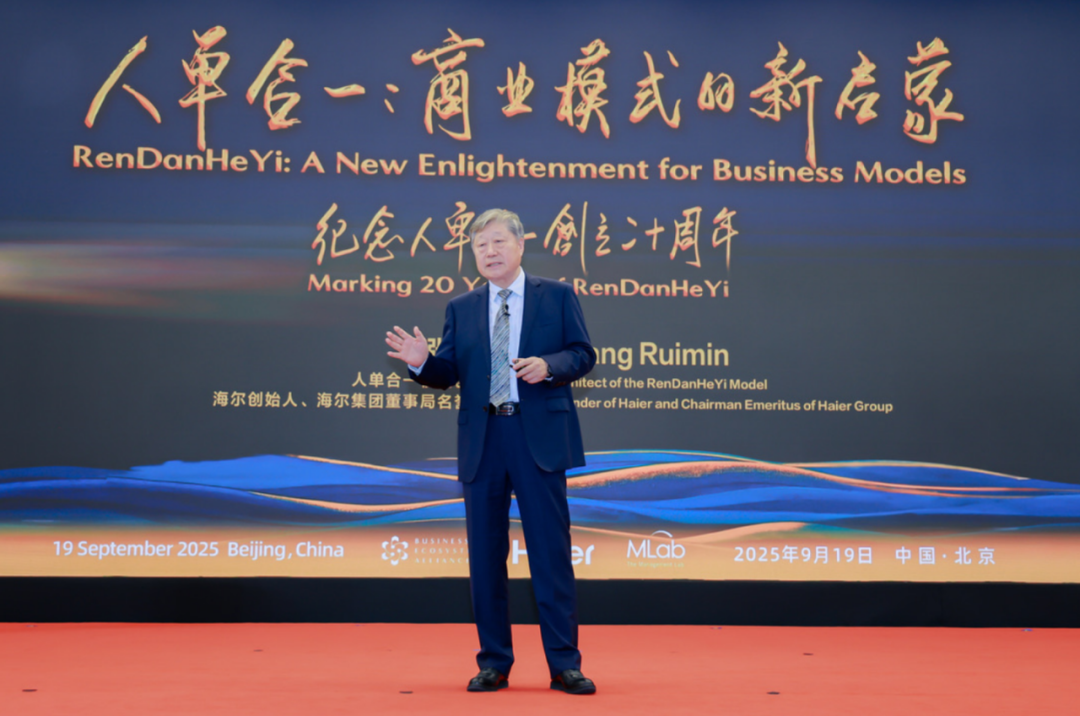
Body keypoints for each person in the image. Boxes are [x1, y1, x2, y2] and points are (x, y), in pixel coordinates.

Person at [385, 208, 598, 695]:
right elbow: (448, 374)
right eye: (481, 245)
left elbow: (583, 354)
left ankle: (564, 664)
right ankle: (494, 663)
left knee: (550, 554)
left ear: (520, 246)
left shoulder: (557, 295)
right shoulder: (461, 307)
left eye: (499, 242)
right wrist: (422, 364)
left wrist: (550, 366)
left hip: (537, 439)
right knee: (485, 557)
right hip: (484, 441)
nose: (490, 252)